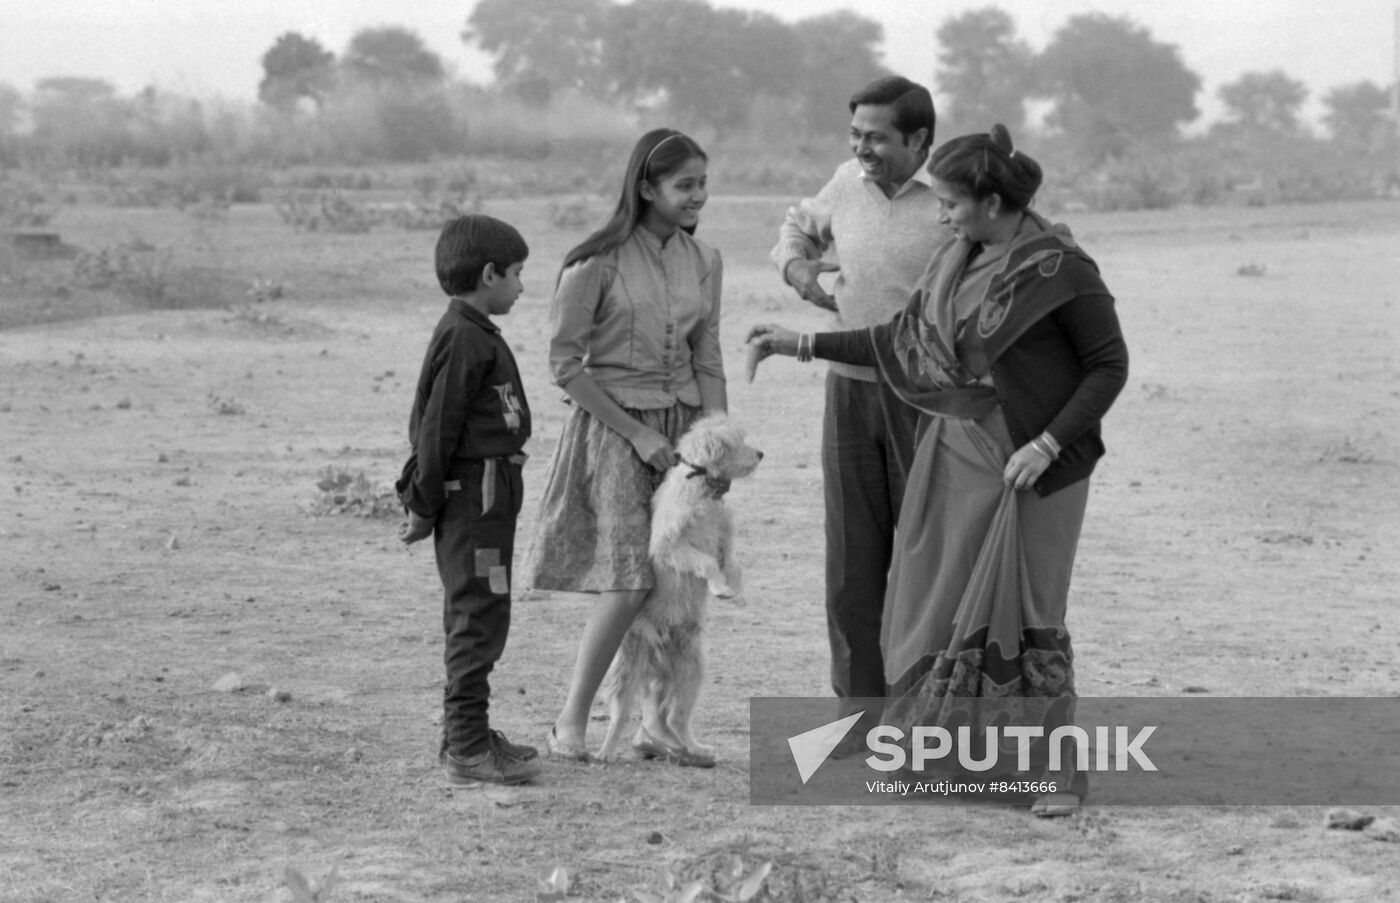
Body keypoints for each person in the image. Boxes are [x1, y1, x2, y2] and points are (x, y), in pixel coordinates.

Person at [749, 125, 1129, 816]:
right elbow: (901, 339)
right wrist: (798, 343)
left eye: (951, 202)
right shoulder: (957, 260)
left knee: (1030, 613)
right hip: (959, 455)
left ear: (990, 201)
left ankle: (1057, 776)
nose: (942, 215)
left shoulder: (1060, 269)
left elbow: (1109, 367)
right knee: (937, 606)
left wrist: (1046, 442)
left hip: (1036, 468)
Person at [524, 128, 727, 765]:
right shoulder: (595, 263)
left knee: (676, 585)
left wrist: (714, 444)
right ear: (646, 187)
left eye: (701, 182)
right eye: (684, 184)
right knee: (629, 580)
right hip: (614, 433)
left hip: (684, 432)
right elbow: (564, 364)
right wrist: (637, 432)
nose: (698, 195)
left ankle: (658, 726)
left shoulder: (706, 261)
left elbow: (709, 352)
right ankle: (570, 721)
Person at [768, 75, 942, 739]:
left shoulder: (949, 199)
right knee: (851, 564)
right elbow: (798, 226)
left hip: (930, 400)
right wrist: (799, 269)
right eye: (856, 135)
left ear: (919, 138)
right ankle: (857, 715)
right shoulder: (845, 182)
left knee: (924, 562)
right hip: (849, 390)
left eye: (877, 137)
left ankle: (921, 716)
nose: (862, 147)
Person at [397, 214, 541, 786]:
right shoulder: (463, 337)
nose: (522, 286)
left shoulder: (472, 332)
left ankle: (468, 734)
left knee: (482, 607)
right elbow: (434, 429)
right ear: (488, 275)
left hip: (490, 497)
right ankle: (466, 745)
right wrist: (422, 503)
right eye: (517, 274)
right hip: (474, 502)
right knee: (477, 612)